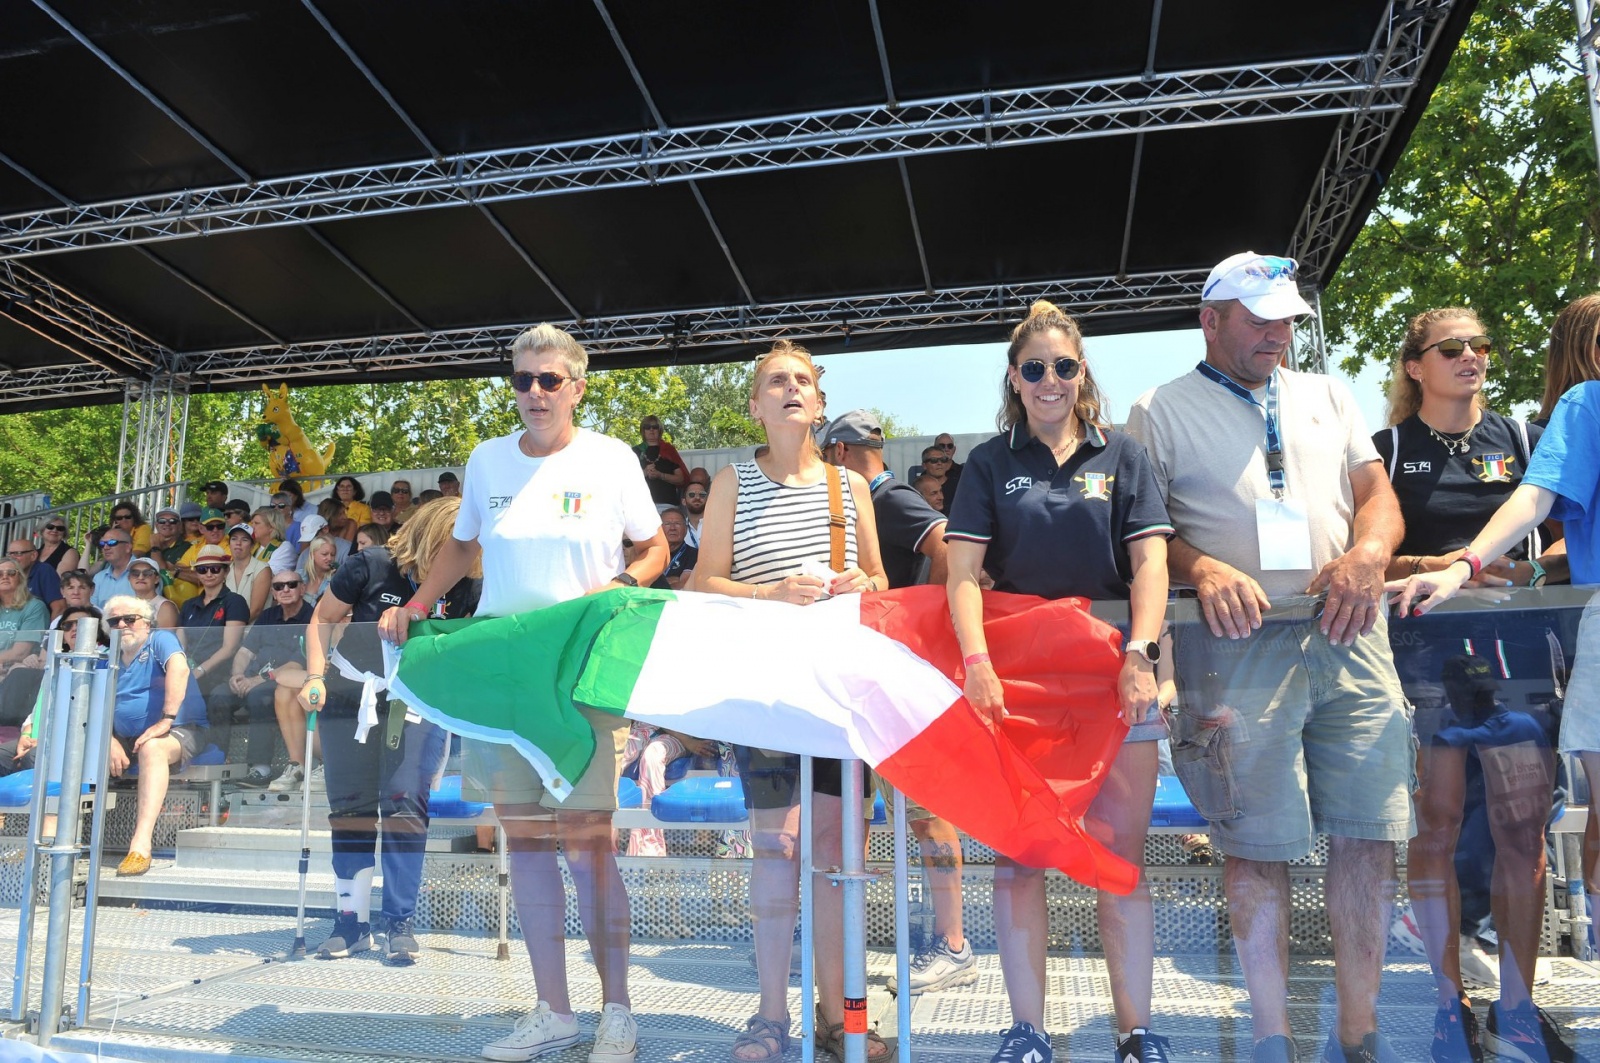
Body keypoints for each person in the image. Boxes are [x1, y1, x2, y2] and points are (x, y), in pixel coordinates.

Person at [1124, 252, 1412, 1063]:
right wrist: (1201, 565)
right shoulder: (1159, 408)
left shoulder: (1329, 392)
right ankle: (1271, 1040)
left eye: (1286, 318)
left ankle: (1359, 1037)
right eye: (1259, 319)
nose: (1277, 333)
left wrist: (1368, 551)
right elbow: (1142, 537)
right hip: (1236, 647)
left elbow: (1378, 497)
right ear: (1209, 319)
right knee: (1256, 844)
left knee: (1369, 835)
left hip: (1351, 630)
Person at [376, 322, 666, 1062]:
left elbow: (655, 546)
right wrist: (415, 605)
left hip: (583, 675)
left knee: (591, 850)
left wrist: (621, 587)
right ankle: (553, 1011)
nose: (534, 393)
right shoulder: (485, 459)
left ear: (577, 384)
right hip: (504, 679)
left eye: (549, 379)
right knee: (530, 849)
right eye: (522, 380)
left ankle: (619, 1014)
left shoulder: (612, 457)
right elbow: (464, 545)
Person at [944, 304, 1172, 1063]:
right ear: (1014, 377)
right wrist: (976, 663)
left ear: (1083, 375)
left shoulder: (1125, 455)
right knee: (1017, 859)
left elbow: (1150, 563)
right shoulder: (986, 462)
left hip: (1118, 679)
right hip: (1017, 689)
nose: (1050, 380)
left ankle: (1136, 1032)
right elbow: (963, 574)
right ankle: (1028, 1031)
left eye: (1064, 366)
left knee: (1119, 855)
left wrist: (1141, 652)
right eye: (1034, 368)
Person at [1393, 292, 1600, 1063]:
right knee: (1439, 823)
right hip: (1426, 658)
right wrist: (1444, 568)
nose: (1471, 356)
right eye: (1451, 347)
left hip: (1517, 656)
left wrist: (1517, 568)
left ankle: (1518, 1005)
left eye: (1480, 343)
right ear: (1416, 368)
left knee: (1520, 827)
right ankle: (1451, 1006)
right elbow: (1366, 555)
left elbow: (1559, 535)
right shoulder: (1385, 447)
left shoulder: (1523, 433)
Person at [695, 340, 894, 1063]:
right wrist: (770, 593)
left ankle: (845, 1016)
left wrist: (857, 587)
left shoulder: (853, 488)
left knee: (840, 855)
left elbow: (879, 582)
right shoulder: (730, 483)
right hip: (765, 693)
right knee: (778, 851)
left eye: (802, 381)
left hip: (839, 695)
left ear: (817, 402)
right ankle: (772, 1016)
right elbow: (701, 585)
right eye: (775, 380)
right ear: (755, 404)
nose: (789, 389)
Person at [824, 409, 974, 998]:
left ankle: (953, 945)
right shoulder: (863, 501)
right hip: (865, 680)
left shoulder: (888, 497)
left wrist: (922, 630)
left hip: (901, 680)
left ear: (837, 453)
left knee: (927, 812)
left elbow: (947, 544)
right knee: (854, 815)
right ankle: (847, 942)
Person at [296, 499, 480, 963]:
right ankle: (351, 921)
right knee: (350, 807)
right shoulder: (373, 564)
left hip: (414, 701)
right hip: (351, 694)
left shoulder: (469, 583)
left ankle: (400, 920)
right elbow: (322, 617)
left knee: (403, 804)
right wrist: (315, 677)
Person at [101, 594, 210, 876]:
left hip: (180, 729)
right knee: (72, 748)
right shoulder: (107, 656)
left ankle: (141, 845)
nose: (122, 625)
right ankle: (51, 837)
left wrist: (167, 719)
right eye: (114, 621)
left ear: (147, 623)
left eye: (130, 619)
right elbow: (92, 701)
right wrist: (107, 738)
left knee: (153, 748)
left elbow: (179, 668)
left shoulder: (160, 640)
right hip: (124, 738)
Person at [0, 605, 106, 780]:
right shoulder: (57, 665)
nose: (74, 629)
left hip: (76, 741)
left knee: (34, 757)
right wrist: (26, 735)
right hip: (40, 738)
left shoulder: (103, 665)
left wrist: (47, 740)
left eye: (81, 624)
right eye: (68, 625)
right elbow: (37, 710)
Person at [178, 543, 249, 759]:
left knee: (218, 697)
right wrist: (182, 670)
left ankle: (219, 757)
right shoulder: (189, 605)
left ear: (225, 571)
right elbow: (180, 643)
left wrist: (198, 671)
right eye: (202, 569)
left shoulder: (235, 601)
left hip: (222, 672)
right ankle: (181, 757)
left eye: (215, 568)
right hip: (191, 671)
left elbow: (230, 648)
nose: (208, 573)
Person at [0, 558, 49, 718]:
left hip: (14, 674)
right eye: (0, 573)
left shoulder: (34, 606)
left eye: (11, 573)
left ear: (20, 578)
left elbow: (20, 652)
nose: (4, 576)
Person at [634, 416, 688, 508]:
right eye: (647, 427)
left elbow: (681, 479)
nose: (651, 430)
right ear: (643, 430)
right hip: (641, 505)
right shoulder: (635, 451)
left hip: (667, 504)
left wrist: (660, 475)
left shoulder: (669, 450)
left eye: (655, 427)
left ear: (660, 430)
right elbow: (626, 479)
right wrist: (645, 472)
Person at [226, 524, 271, 621]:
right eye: (234, 539)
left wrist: (232, 629)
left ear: (252, 545)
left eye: (244, 540)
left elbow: (256, 610)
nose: (238, 543)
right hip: (227, 629)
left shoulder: (262, 569)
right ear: (229, 543)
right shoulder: (225, 570)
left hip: (255, 630)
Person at [9, 538, 63, 619]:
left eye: (18, 553)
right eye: (10, 554)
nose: (13, 558)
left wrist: (49, 631)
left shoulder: (44, 570)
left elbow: (59, 608)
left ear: (33, 556)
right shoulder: (6, 574)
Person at [127, 557, 179, 629]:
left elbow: (165, 638)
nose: (141, 577)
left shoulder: (165, 607)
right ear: (129, 578)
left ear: (156, 579)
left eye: (147, 573)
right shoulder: (125, 606)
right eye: (135, 573)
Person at [91, 531, 138, 608]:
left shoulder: (146, 573)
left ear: (128, 547)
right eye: (102, 544)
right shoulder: (99, 578)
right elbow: (92, 610)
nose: (106, 547)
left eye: (112, 542)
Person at [652, 508, 696, 590]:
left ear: (686, 529)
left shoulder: (695, 554)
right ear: (659, 529)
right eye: (667, 524)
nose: (672, 528)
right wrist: (672, 580)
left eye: (677, 523)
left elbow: (684, 585)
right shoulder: (650, 553)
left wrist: (656, 583)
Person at [250, 506, 296, 574]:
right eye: (252, 523)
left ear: (271, 527)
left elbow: (268, 574)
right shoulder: (253, 546)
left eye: (256, 523)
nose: (252, 527)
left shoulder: (285, 548)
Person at [299, 535, 342, 605]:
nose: (329, 558)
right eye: (324, 554)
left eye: (333, 555)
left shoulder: (336, 580)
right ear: (312, 554)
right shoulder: (298, 576)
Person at [680, 481, 708, 547]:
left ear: (707, 500)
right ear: (684, 501)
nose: (697, 498)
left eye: (702, 495)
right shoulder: (680, 528)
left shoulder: (718, 525)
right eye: (692, 495)